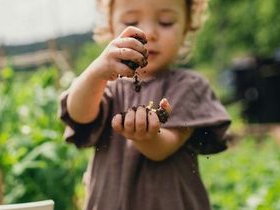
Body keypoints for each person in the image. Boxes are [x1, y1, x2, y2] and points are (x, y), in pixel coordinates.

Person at [58, 0, 231, 209]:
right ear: (111, 27)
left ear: (186, 28)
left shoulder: (189, 87)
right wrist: (96, 71)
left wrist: (145, 136)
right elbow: (79, 114)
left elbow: (162, 148)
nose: (148, 33)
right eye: (131, 21)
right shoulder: (107, 86)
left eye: (166, 22)